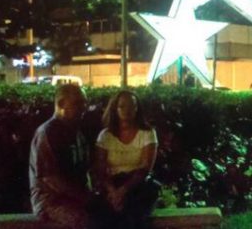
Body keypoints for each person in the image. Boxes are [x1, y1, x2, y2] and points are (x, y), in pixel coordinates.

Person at [93, 90, 159, 229]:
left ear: (137, 108)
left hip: (137, 185)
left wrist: (123, 191)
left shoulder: (147, 133)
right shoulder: (105, 136)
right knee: (102, 216)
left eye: (132, 106)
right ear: (115, 109)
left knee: (132, 214)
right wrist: (112, 191)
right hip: (112, 184)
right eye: (122, 106)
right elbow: (100, 169)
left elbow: (146, 167)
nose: (127, 110)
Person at [29, 84, 92, 228]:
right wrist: (84, 197)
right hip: (51, 201)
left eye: (85, 102)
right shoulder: (47, 133)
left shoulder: (76, 132)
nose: (84, 107)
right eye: (78, 103)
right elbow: (50, 178)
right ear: (61, 104)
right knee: (83, 221)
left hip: (74, 198)